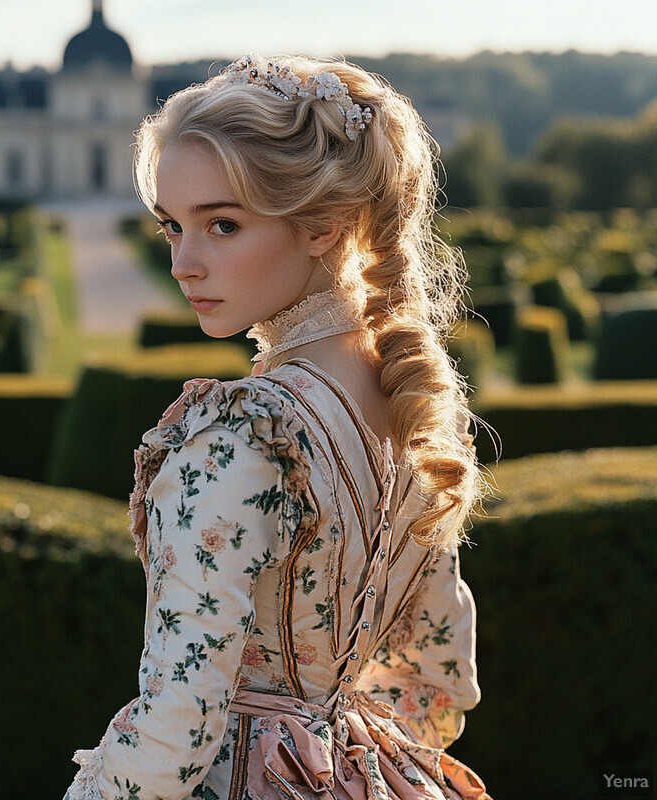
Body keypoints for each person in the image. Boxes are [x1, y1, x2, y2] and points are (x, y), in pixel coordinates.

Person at [64, 54, 491, 800]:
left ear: (324, 225)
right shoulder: (410, 412)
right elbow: (436, 680)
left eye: (222, 225)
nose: (183, 263)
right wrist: (342, 763)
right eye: (172, 226)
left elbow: (175, 736)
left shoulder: (239, 439)